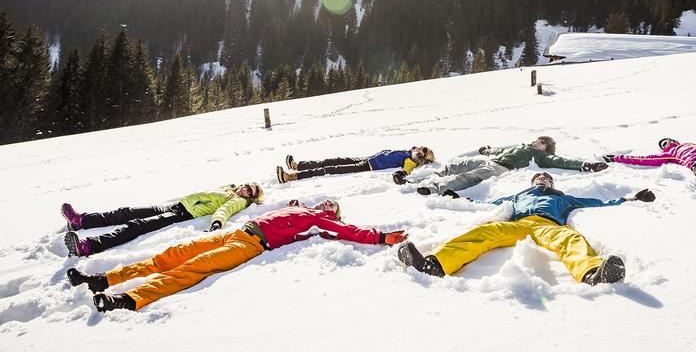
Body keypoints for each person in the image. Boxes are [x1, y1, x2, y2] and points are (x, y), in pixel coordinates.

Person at [66, 199, 408, 312]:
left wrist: (380, 236)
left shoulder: (319, 221)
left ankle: (125, 299)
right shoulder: (299, 207)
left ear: (331, 214)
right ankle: (102, 278)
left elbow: (349, 232)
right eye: (325, 202)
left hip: (249, 245)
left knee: (192, 268)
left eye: (330, 207)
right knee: (171, 254)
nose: (324, 206)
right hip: (233, 232)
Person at [398, 172, 655, 284]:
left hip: (548, 226)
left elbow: (597, 202)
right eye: (538, 178)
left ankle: (591, 273)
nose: (542, 179)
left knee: (571, 240)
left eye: (545, 178)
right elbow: (487, 203)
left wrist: (630, 198)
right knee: (482, 233)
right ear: (533, 182)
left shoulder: (562, 197)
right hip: (518, 225)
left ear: (551, 182)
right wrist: (459, 198)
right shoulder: (519, 196)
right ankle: (435, 265)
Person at [61, 183, 265, 257]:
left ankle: (88, 247)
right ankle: (81, 221)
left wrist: (217, 223)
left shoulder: (237, 201)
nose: (246, 189)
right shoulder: (229, 187)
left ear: (250, 197)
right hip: (176, 205)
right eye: (248, 185)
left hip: (182, 214)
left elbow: (224, 211)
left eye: (250, 191)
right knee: (127, 212)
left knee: (136, 226)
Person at [400, 136, 608, 198]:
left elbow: (561, 162)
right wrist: (487, 150)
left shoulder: (539, 155)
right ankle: (417, 180)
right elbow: (499, 150)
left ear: (547, 148)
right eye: (537, 140)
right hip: (490, 160)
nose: (536, 143)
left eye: (541, 142)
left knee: (470, 176)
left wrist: (586, 165)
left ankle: (435, 188)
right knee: (456, 165)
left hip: (501, 168)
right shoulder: (521, 145)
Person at [278, 146, 435, 183]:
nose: (421, 150)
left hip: (368, 166)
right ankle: (298, 166)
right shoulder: (408, 151)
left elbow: (405, 171)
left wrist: (400, 176)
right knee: (334, 161)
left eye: (423, 153)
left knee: (330, 169)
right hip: (368, 158)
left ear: (422, 159)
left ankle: (291, 177)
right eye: (423, 148)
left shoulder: (410, 161)